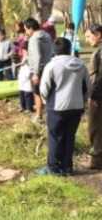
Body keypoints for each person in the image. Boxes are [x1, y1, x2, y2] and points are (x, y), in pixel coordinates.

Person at [39, 38, 90, 175]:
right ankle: (67, 167)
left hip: (57, 106)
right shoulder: (81, 64)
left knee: (55, 136)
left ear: (54, 51)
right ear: (69, 49)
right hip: (76, 106)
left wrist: (45, 101)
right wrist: (82, 101)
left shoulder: (52, 65)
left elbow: (44, 88)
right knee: (70, 136)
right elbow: (87, 87)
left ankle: (53, 168)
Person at [24, 17, 53, 123]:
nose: (26, 32)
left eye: (26, 29)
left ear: (31, 28)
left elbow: (37, 56)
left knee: (37, 93)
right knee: (48, 91)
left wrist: (35, 73)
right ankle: (49, 114)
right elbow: (48, 52)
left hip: (39, 69)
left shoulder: (34, 39)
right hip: (49, 67)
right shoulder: (47, 35)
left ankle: (39, 116)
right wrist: (27, 59)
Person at [87, 24, 102, 169]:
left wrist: (93, 96)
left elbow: (98, 78)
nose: (87, 40)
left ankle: (97, 160)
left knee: (95, 127)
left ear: (98, 34)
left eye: (89, 36)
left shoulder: (99, 52)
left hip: (98, 96)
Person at [18, 41, 34, 113]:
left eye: (26, 50)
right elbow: (21, 65)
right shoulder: (24, 57)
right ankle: (22, 106)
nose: (24, 52)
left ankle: (29, 108)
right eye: (24, 50)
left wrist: (27, 62)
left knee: (28, 93)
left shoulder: (32, 57)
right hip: (22, 76)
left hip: (28, 77)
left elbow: (32, 67)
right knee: (21, 92)